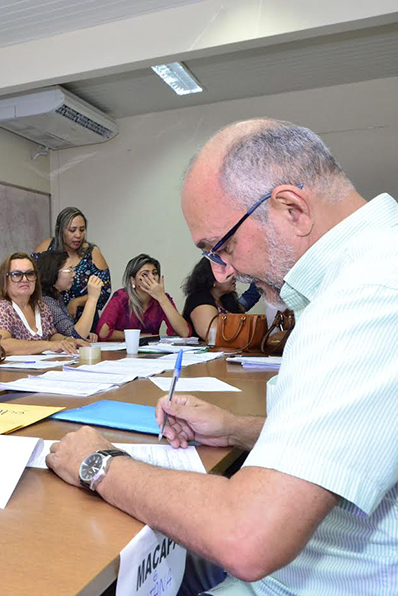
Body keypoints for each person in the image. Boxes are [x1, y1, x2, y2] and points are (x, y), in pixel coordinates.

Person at [47, 119, 398, 595]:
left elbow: (247, 538)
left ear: (292, 209)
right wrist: (235, 429)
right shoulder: (370, 265)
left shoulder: (369, 296)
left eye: (222, 247)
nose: (223, 270)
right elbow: (354, 433)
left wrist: (100, 462)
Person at [0, 252, 87, 355]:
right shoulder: (0, 307)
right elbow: (3, 344)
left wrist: (67, 341)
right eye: (16, 274)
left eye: (30, 274)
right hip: (5, 372)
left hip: (39, 370)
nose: (25, 279)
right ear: (5, 279)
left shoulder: (41, 306)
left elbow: (51, 336)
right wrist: (49, 345)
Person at [35, 207, 111, 320]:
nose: (78, 235)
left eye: (82, 230)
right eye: (72, 230)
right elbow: (32, 280)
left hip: (85, 319)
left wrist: (77, 302)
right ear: (59, 230)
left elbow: (105, 290)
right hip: (50, 319)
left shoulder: (92, 253)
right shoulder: (47, 247)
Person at [94, 253, 191, 340]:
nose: (152, 277)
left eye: (155, 273)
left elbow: (185, 333)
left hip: (150, 353)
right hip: (121, 352)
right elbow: (103, 333)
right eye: (145, 274)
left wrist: (162, 298)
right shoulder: (121, 297)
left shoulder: (163, 298)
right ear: (133, 280)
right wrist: (141, 336)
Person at [35, 250, 100, 342]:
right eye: (70, 270)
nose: (74, 274)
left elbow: (70, 334)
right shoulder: (46, 301)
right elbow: (76, 335)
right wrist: (92, 299)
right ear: (53, 272)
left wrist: (85, 333)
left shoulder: (57, 297)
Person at [180, 258, 245, 341]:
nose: (234, 277)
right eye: (228, 274)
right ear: (212, 278)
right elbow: (212, 336)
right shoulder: (199, 299)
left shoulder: (227, 299)